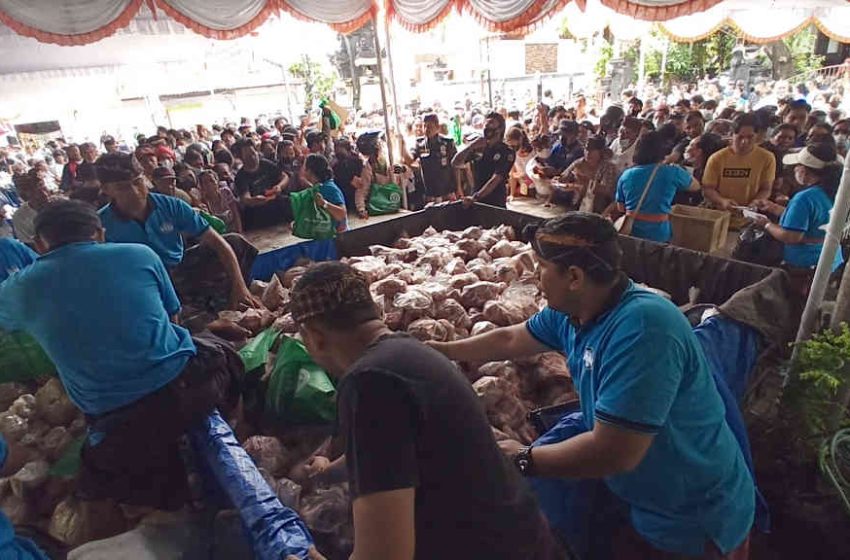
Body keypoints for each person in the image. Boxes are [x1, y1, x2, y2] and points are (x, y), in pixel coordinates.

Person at [428, 213, 755, 559]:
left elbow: (614, 451)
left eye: (540, 267)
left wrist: (522, 459)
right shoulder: (574, 311)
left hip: (693, 514)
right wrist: (444, 351)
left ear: (573, 276)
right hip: (645, 497)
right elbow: (511, 338)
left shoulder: (644, 329)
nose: (535, 277)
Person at [290, 261, 563, 560]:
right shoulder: (408, 354)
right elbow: (393, 448)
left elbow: (385, 556)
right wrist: (330, 471)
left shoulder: (367, 383)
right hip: (524, 540)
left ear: (314, 337)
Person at [0, 199, 245, 512]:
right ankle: (238, 428)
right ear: (100, 234)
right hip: (191, 389)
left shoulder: (19, 288)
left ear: (38, 244)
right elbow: (174, 320)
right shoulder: (139, 254)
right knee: (225, 355)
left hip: (115, 423)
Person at [96, 152, 259, 312]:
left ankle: (233, 301)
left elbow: (218, 243)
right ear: (106, 190)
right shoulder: (100, 225)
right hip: (145, 284)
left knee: (234, 242)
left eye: (138, 182)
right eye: (123, 187)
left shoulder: (171, 205)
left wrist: (240, 287)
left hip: (180, 270)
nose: (135, 191)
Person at [750, 143, 844, 274]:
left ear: (805, 171)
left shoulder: (804, 198)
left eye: (797, 166)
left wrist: (766, 224)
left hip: (806, 265)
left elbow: (791, 236)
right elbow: (811, 220)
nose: (794, 170)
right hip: (833, 260)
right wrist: (774, 208)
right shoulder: (838, 192)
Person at [606, 131, 700, 243]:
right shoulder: (672, 172)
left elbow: (621, 207)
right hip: (659, 232)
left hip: (631, 230)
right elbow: (696, 186)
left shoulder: (627, 174)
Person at [702, 113, 776, 212]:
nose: (744, 142)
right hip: (720, 212)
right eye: (740, 137)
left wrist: (756, 202)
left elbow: (766, 189)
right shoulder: (717, 158)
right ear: (732, 135)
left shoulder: (767, 158)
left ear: (757, 136)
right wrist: (722, 200)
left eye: (750, 137)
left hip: (749, 213)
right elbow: (708, 189)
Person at [452, 112, 515, 208]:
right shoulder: (479, 147)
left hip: (495, 202)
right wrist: (471, 146)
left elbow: (495, 179)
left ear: (500, 129)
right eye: (486, 123)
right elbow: (455, 162)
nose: (487, 126)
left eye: (491, 123)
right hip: (475, 200)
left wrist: (476, 197)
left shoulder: (507, 152)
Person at [232, 141, 291, 231]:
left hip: (276, 201)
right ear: (241, 158)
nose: (252, 157)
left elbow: (284, 177)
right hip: (258, 210)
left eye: (253, 153)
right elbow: (245, 198)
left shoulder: (265, 164)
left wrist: (279, 186)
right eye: (248, 156)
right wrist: (254, 200)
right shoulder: (241, 177)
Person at [402, 113, 457, 203]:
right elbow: (410, 160)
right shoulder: (420, 144)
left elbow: (455, 166)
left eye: (430, 126)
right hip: (430, 192)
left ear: (437, 127)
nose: (426, 129)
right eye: (425, 126)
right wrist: (403, 146)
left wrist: (458, 188)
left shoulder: (448, 143)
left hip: (447, 191)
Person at [557, 136, 619, 214]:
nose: (588, 153)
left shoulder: (609, 167)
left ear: (601, 151)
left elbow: (607, 191)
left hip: (598, 208)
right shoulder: (579, 162)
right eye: (586, 149)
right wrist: (564, 179)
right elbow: (563, 177)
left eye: (592, 150)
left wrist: (588, 182)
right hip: (576, 205)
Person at [300, 154, 348, 234]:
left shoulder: (328, 188)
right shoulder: (317, 187)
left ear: (310, 170)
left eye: (304, 166)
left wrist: (324, 203)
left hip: (337, 239)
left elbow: (341, 214)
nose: (303, 169)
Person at [12, 172, 51, 247]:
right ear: (27, 195)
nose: (45, 194)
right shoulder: (20, 217)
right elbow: (31, 245)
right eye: (38, 192)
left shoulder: (61, 205)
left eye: (45, 189)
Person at [198, 169, 243, 233]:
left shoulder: (226, 192)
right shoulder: (204, 201)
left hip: (233, 228)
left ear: (217, 181)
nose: (209, 184)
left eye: (211, 180)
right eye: (205, 182)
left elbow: (236, 213)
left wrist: (239, 232)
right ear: (202, 186)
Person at [331, 138, 367, 214]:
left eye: (338, 149)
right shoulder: (336, 163)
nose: (336, 151)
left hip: (354, 195)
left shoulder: (356, 161)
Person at [505, 126, 534, 200]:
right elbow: (512, 175)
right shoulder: (511, 154)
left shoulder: (533, 151)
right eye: (511, 146)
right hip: (522, 185)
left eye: (515, 146)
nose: (513, 148)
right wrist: (512, 194)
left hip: (535, 185)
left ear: (520, 139)